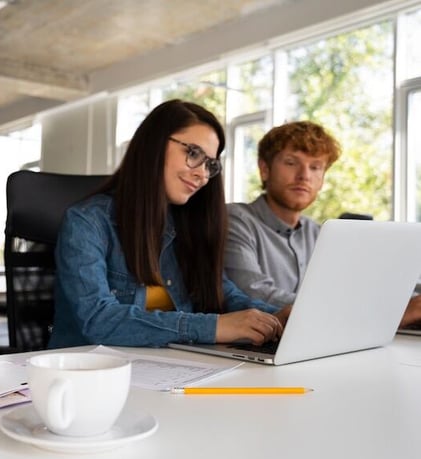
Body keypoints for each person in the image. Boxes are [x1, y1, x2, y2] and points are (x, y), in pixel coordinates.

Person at [48, 99, 286, 350]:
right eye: (193, 153)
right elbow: (98, 320)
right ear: (154, 145)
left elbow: (225, 294)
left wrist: (278, 316)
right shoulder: (87, 222)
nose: (203, 174)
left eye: (210, 164)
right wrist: (214, 327)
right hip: (90, 372)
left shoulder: (187, 224)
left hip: (167, 366)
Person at [223, 121, 340, 307]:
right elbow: (253, 292)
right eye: (291, 163)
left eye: (316, 167)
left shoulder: (320, 234)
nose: (304, 176)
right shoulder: (235, 220)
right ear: (264, 170)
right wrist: (337, 307)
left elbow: (340, 291)